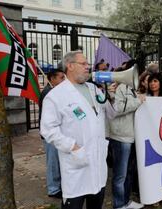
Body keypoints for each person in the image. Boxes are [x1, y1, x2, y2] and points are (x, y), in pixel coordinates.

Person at [40, 51, 117, 209]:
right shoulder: (56, 96)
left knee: (96, 203)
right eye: (83, 64)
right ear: (70, 66)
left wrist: (110, 94)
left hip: (97, 162)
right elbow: (48, 130)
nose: (87, 67)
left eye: (87, 64)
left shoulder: (94, 89)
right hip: (76, 163)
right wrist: (73, 147)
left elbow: (111, 114)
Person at [108, 73, 146, 209]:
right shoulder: (120, 88)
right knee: (120, 175)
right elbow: (117, 109)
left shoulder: (131, 89)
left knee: (128, 173)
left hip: (130, 136)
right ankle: (118, 205)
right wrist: (138, 101)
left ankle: (126, 201)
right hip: (121, 137)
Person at [39, 67, 65, 198]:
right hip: (50, 134)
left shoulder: (56, 91)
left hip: (58, 133)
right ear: (52, 79)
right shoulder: (48, 93)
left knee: (58, 161)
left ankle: (58, 185)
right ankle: (53, 189)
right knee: (53, 162)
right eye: (61, 78)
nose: (63, 80)